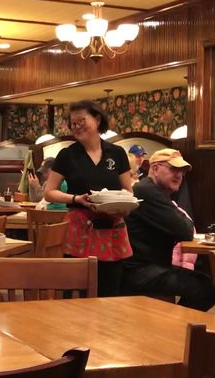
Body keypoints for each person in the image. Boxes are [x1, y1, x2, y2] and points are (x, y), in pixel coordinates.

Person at [45, 100, 134, 297]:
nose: (77, 127)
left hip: (112, 228)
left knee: (110, 291)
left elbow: (128, 191)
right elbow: (49, 192)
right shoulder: (67, 155)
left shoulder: (116, 153)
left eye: (81, 121)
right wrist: (76, 198)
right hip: (80, 227)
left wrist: (124, 206)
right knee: (76, 290)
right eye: (73, 123)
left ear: (97, 119)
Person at [122, 149, 215, 311]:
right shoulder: (147, 191)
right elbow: (186, 230)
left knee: (204, 282)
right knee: (204, 288)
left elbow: (184, 225)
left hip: (146, 267)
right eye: (173, 169)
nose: (179, 175)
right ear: (155, 169)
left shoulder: (155, 191)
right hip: (138, 271)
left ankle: (173, 324)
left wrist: (182, 218)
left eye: (182, 171)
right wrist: (182, 217)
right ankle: (176, 328)